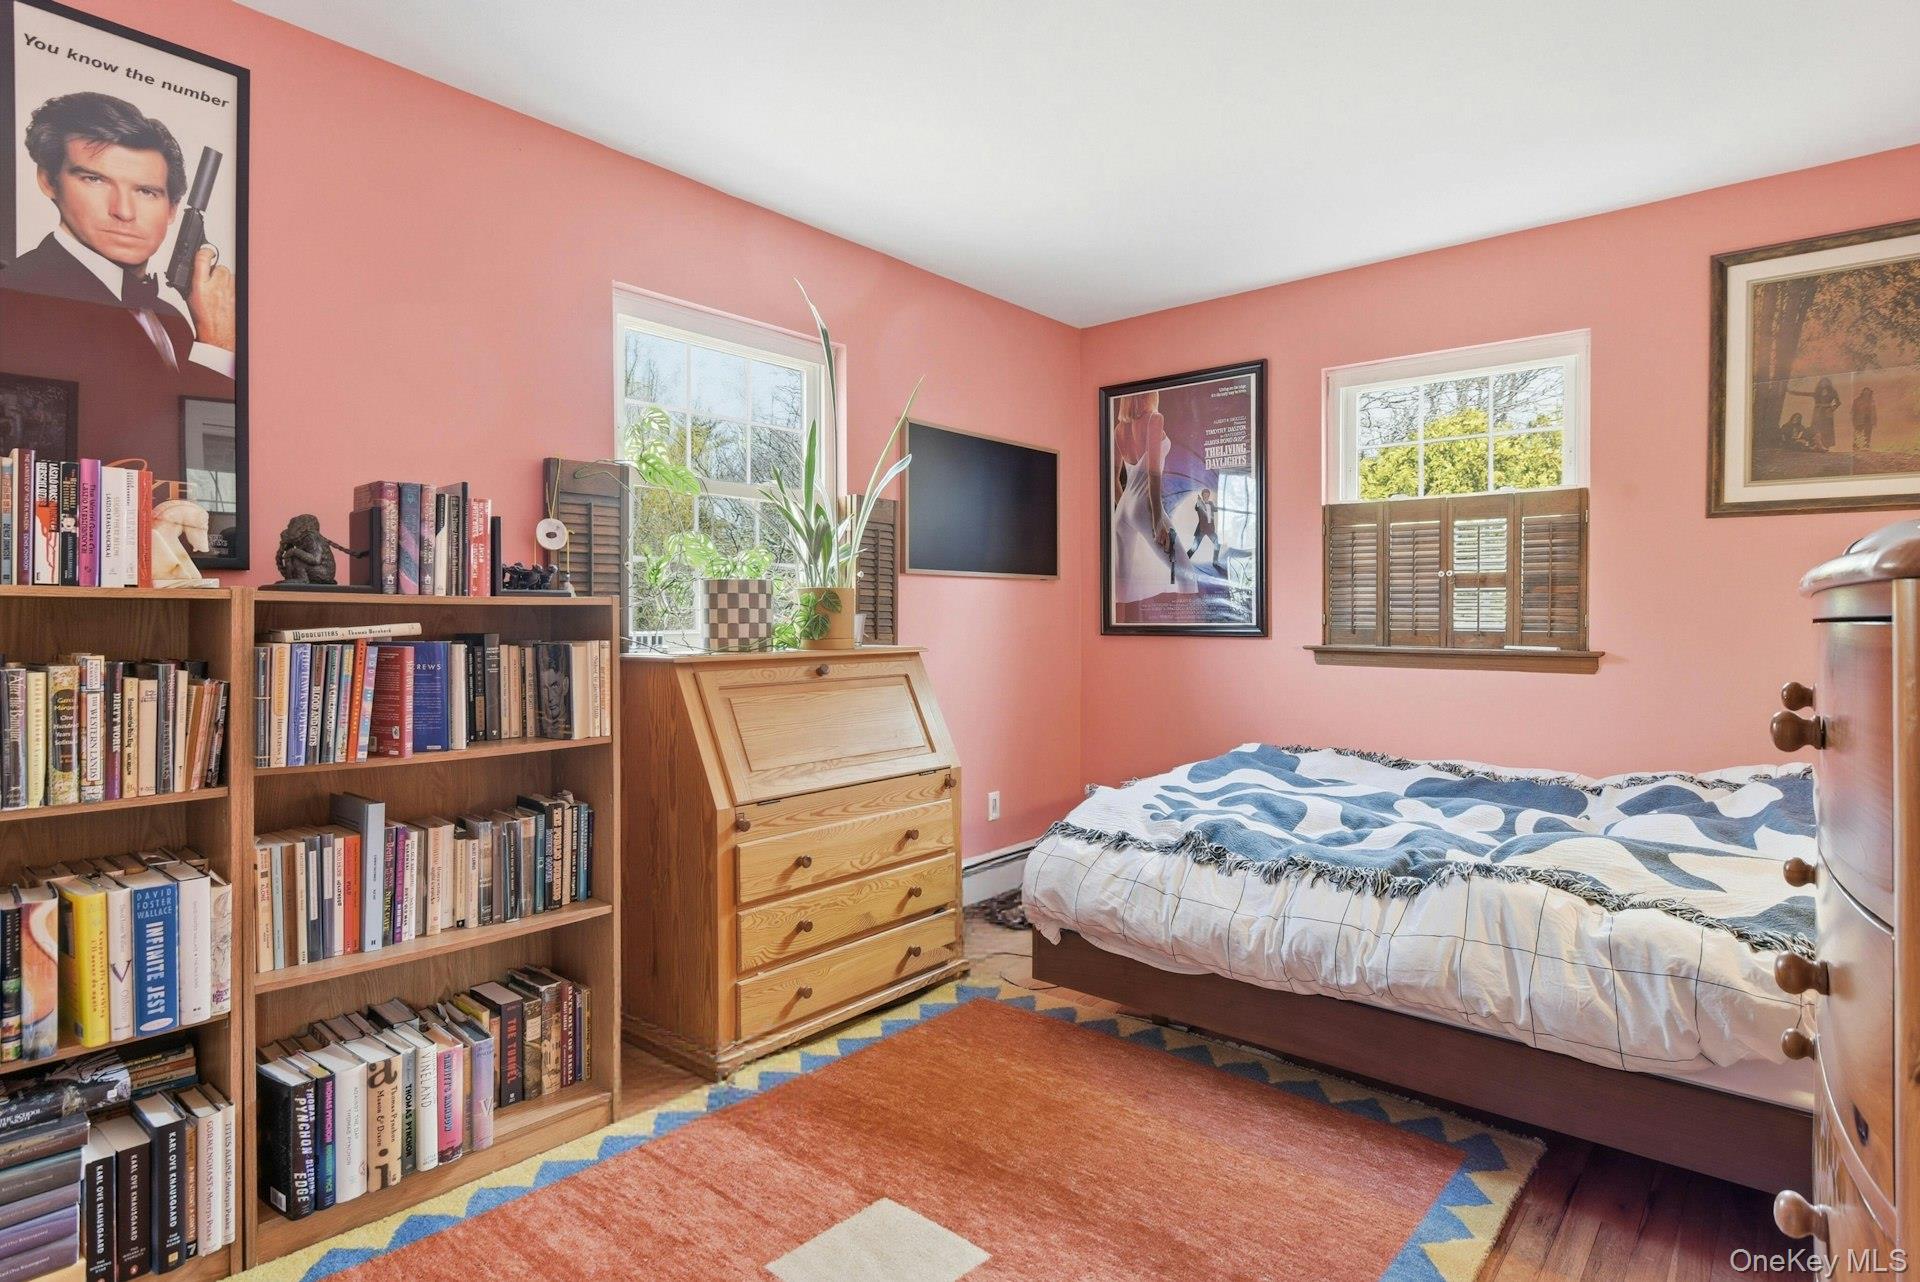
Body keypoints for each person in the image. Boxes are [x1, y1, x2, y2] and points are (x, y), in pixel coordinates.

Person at [3, 92, 233, 379]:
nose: (123, 211)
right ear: (48, 181)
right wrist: (217, 347)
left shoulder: (172, 321)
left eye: (146, 191)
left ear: (172, 209)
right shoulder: (17, 298)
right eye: (95, 179)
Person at [1110, 389, 1197, 608]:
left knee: (1121, 586)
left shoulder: (1119, 429)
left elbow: (1113, 478)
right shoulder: (1154, 419)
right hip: (1145, 507)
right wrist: (1157, 519)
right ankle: (1188, 624)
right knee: (1186, 575)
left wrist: (1126, 508)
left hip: (1122, 510)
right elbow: (1153, 473)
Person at [1786, 376, 1842, 449]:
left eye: (1826, 382)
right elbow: (1804, 393)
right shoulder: (1817, 392)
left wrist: (1831, 409)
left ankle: (1826, 445)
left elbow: (1838, 402)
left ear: (1829, 383)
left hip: (1827, 413)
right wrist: (1791, 392)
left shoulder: (1833, 392)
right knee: (1816, 428)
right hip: (1817, 413)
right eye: (1822, 382)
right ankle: (1815, 444)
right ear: (1820, 383)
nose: (1824, 383)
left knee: (1827, 428)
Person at [1188, 486, 1221, 568]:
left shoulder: (1211, 503)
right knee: (1194, 547)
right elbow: (1196, 508)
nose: (1206, 496)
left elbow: (1216, 509)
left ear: (1209, 495)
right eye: (1204, 495)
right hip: (1201, 529)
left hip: (1210, 529)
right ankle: (1185, 559)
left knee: (1217, 543)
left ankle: (1215, 561)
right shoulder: (1199, 504)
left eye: (1207, 495)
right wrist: (1198, 501)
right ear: (1202, 495)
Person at [1853, 386, 1878, 450]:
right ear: (1863, 393)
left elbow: (1874, 412)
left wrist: (1874, 421)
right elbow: (1854, 411)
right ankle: (1856, 445)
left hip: (1869, 419)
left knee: (1868, 432)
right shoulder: (1857, 400)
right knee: (1858, 432)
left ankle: (1866, 445)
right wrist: (1854, 420)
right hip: (1860, 418)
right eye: (1865, 392)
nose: (1866, 393)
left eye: (1868, 392)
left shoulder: (1872, 401)